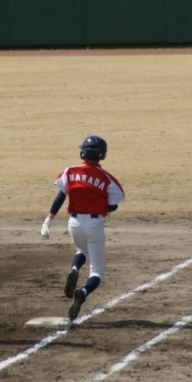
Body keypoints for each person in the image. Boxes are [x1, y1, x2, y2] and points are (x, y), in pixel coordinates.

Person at [40, 136, 125, 321]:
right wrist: (101, 204)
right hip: (94, 224)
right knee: (97, 272)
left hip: (74, 223)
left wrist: (48, 220)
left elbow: (61, 196)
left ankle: (75, 268)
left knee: (82, 251)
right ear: (102, 155)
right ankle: (83, 292)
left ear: (83, 153)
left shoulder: (70, 171)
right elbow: (114, 204)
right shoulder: (106, 178)